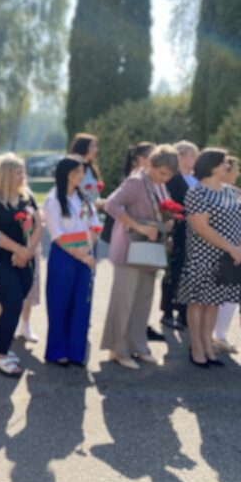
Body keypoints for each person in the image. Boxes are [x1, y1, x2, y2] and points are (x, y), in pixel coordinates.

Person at [101, 145, 179, 369]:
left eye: (169, 175)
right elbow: (111, 204)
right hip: (130, 250)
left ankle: (138, 345)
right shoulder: (135, 182)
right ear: (150, 164)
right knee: (124, 302)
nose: (165, 178)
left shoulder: (159, 185)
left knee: (143, 301)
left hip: (150, 252)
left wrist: (166, 226)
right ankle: (118, 349)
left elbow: (159, 211)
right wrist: (140, 227)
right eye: (162, 172)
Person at [177, 148, 241, 368]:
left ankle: (208, 344)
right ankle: (196, 346)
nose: (228, 167)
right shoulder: (197, 192)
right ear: (213, 166)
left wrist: (237, 247)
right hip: (203, 255)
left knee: (213, 302)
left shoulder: (231, 191)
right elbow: (201, 228)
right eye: (225, 163)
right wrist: (232, 248)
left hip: (227, 257)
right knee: (198, 302)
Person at [42, 154, 100, 366]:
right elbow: (56, 234)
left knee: (81, 304)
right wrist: (81, 254)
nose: (80, 176)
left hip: (85, 256)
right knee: (60, 303)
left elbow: (94, 226)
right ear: (64, 173)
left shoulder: (83, 198)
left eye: (82, 172)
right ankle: (57, 351)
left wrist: (87, 250)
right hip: (64, 257)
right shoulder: (53, 200)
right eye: (76, 171)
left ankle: (76, 352)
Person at [0, 153, 42, 376]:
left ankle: (6, 348)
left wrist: (27, 250)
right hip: (3, 261)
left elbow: (39, 224)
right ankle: (0, 354)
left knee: (18, 303)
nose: (22, 176)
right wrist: (17, 250)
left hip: (25, 261)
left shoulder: (27, 197)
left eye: (23, 171)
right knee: (10, 304)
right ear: (5, 175)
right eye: (17, 172)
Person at [161, 140, 199, 331]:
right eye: (192, 155)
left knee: (188, 273)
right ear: (182, 156)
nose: (195, 159)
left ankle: (184, 313)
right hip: (178, 231)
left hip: (195, 234)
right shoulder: (173, 179)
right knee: (173, 271)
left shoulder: (196, 178)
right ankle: (167, 311)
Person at [214, 155, 240, 353]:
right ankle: (217, 335)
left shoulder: (233, 192)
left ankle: (220, 334)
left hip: (235, 249)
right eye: (235, 169)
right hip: (225, 250)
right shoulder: (219, 193)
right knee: (224, 293)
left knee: (231, 295)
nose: (238, 173)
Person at [69, 133, 104, 207]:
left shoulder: (91, 168)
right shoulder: (72, 169)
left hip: (91, 213)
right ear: (83, 147)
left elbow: (94, 196)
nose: (96, 150)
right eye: (92, 146)